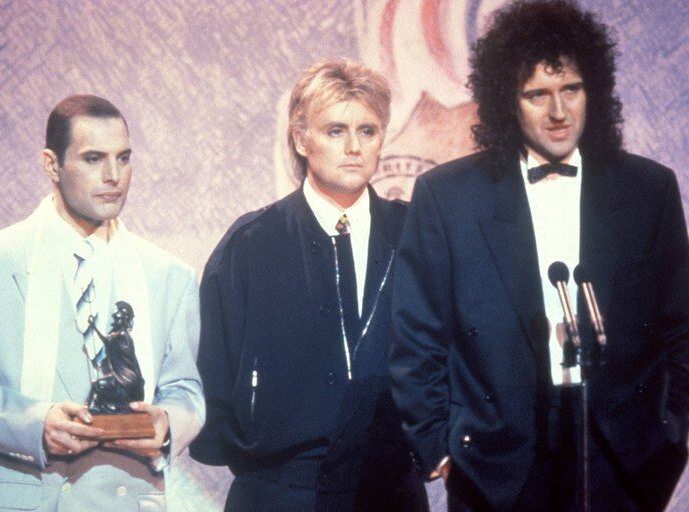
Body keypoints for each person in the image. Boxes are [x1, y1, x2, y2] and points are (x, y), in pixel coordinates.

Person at [389, 1, 689, 511]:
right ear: (507, 101)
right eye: (538, 94)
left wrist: (671, 431)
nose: (558, 111)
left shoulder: (649, 189)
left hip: (622, 458)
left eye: (571, 89)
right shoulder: (447, 197)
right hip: (495, 462)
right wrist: (437, 446)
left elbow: (681, 326)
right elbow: (418, 335)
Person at [0, 95, 204, 511]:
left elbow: (186, 390)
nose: (113, 176)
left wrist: (166, 425)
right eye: (93, 159)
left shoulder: (169, 276)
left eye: (123, 158)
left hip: (130, 496)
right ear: (51, 164)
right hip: (32, 495)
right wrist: (33, 424)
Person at [190, 59, 429, 511]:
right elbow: (211, 379)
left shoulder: (416, 236)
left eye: (368, 130)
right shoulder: (251, 244)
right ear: (301, 139)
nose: (354, 147)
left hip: (389, 490)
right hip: (279, 490)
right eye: (335, 131)